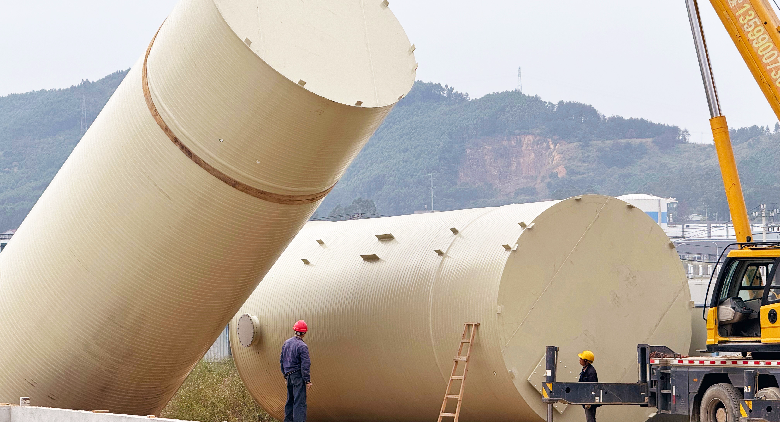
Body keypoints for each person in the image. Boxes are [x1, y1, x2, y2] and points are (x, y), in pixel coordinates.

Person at [280, 320, 311, 422]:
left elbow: (282, 360)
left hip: (288, 376)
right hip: (298, 376)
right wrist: (307, 380)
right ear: (304, 333)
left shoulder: (286, 344)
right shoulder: (302, 346)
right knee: (299, 402)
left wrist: (285, 375)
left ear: (295, 330)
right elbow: (305, 365)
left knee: (290, 401)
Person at [578, 350, 598, 422]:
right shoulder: (585, 370)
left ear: (586, 360)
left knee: (590, 419)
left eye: (581, 359)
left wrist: (589, 401)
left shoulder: (591, 371)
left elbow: (592, 386)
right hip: (586, 398)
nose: (580, 360)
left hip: (589, 399)